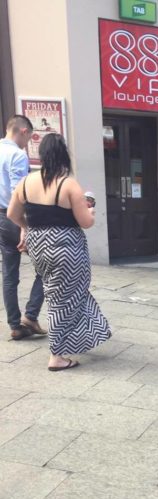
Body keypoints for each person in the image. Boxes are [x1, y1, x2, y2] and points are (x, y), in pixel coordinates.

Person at [7, 133, 111, 371]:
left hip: (38, 245)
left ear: (41, 155)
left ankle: (77, 339)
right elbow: (85, 222)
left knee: (55, 294)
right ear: (64, 155)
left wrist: (28, 228)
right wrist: (91, 212)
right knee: (65, 299)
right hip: (67, 247)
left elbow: (12, 215)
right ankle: (57, 356)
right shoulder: (69, 184)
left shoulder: (26, 182)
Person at [0, 114, 45, 340]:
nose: (27, 144)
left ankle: (15, 325)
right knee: (45, 267)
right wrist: (24, 225)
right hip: (14, 217)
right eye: (28, 138)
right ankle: (31, 316)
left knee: (9, 274)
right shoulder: (17, 155)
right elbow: (19, 191)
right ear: (24, 131)